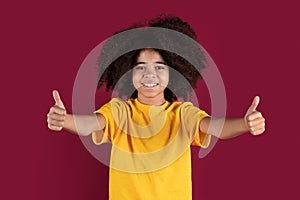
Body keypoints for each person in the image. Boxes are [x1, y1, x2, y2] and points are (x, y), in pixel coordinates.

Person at [47, 14, 266, 200]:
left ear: (174, 73)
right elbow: (90, 124)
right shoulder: (120, 111)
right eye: (141, 67)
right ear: (128, 73)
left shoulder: (183, 114)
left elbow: (215, 127)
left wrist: (245, 124)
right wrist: (64, 119)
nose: (150, 74)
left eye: (159, 67)